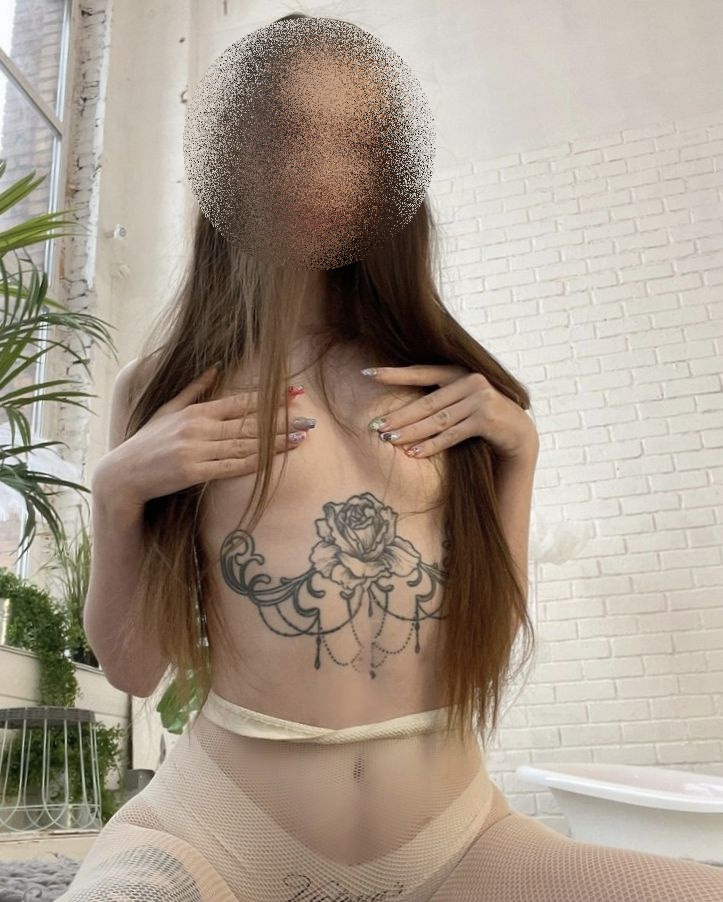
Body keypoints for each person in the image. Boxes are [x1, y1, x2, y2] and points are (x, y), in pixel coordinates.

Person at [58, 11, 723, 902]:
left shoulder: (442, 386)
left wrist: (519, 455)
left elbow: (483, 635)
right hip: (216, 830)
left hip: (453, 838)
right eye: (289, 137)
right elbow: (135, 670)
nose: (323, 170)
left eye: (355, 143)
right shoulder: (163, 387)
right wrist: (114, 491)